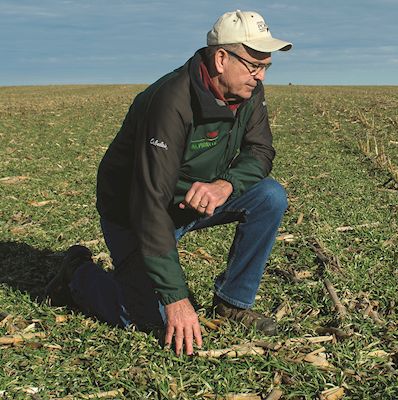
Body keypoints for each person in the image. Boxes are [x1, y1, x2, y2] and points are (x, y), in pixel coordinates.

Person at [44, 10, 292, 356]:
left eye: (266, 66)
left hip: (189, 200)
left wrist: (225, 185)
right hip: (134, 212)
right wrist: (176, 300)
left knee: (269, 197)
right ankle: (78, 275)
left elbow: (261, 151)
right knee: (151, 318)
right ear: (221, 58)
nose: (260, 76)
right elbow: (148, 204)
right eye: (254, 65)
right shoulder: (171, 101)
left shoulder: (249, 95)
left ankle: (232, 301)